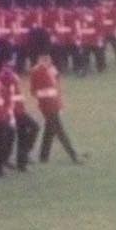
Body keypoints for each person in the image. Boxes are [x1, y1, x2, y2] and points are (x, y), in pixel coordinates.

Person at [29, 30, 85, 165]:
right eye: (46, 59)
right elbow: (35, 91)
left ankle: (43, 156)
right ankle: (73, 155)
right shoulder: (36, 72)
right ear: (41, 59)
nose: (49, 60)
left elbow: (56, 88)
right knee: (60, 131)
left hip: (54, 104)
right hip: (47, 106)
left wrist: (59, 104)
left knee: (49, 130)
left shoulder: (50, 69)